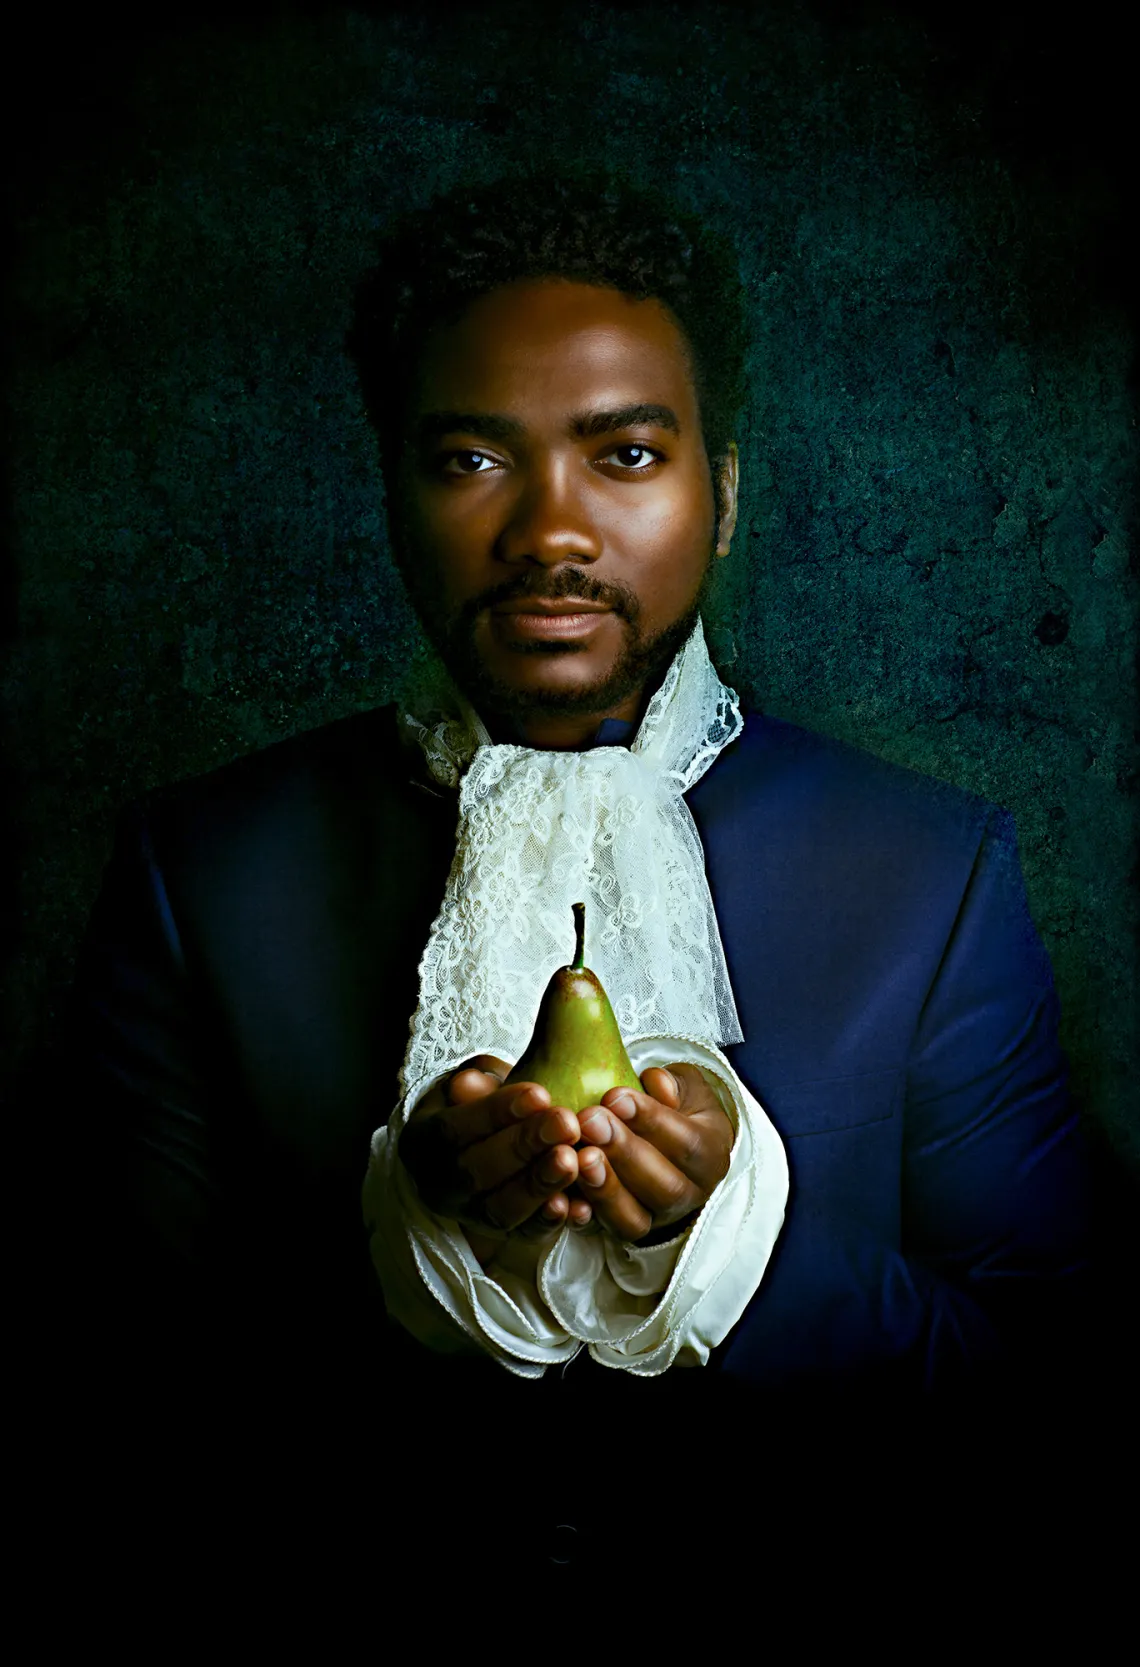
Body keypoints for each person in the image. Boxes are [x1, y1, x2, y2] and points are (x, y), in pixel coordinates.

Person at [38, 169, 1091, 1579]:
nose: (548, 529)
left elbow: (1052, 1403)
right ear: (391, 486)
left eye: (628, 454)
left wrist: (734, 1250)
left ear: (723, 492)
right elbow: (94, 1405)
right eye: (472, 458)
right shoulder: (200, 869)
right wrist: (400, 1252)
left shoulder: (932, 870)